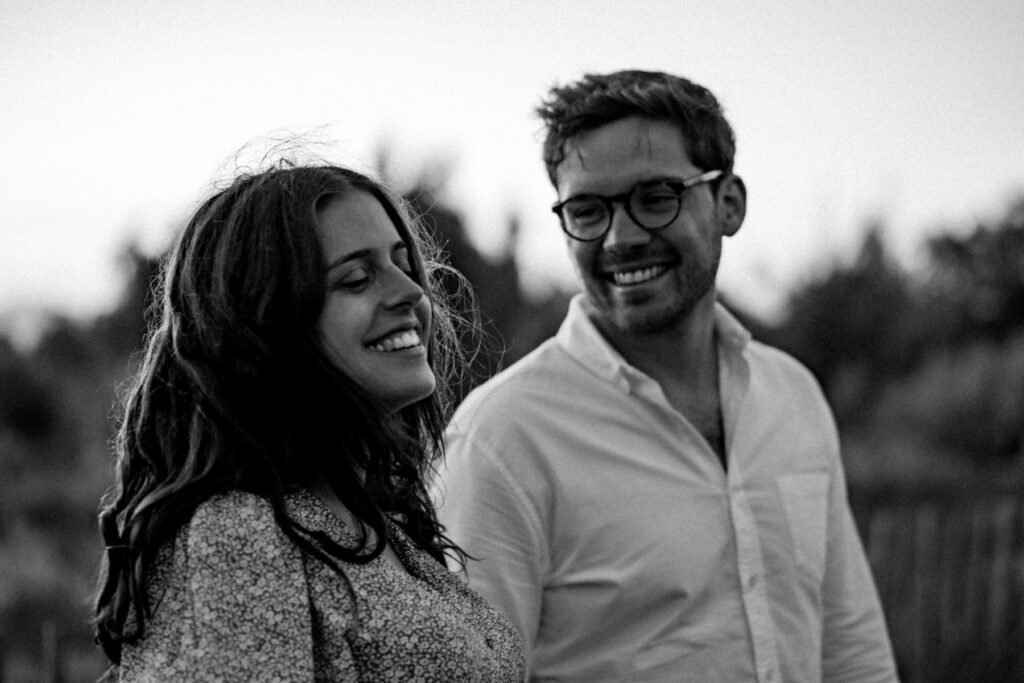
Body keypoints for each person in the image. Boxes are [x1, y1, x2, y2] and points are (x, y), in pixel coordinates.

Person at [435, 70, 898, 682]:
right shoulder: (500, 440)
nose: (621, 238)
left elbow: (850, 645)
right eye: (588, 210)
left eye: (656, 198)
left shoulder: (793, 395)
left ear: (728, 204)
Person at [93, 161, 525, 681]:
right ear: (269, 327)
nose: (412, 292)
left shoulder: (376, 520)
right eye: (358, 279)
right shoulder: (237, 536)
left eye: (405, 265)